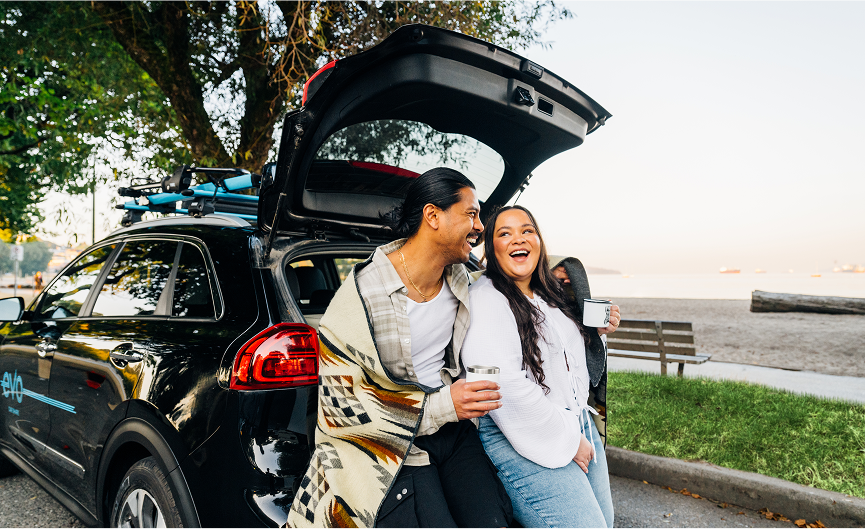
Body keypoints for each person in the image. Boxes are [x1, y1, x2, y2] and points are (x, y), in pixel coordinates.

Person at [286, 168, 512, 529]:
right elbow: (343, 407)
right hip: (393, 445)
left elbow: (521, 292)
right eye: (471, 213)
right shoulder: (361, 297)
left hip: (453, 429)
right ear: (433, 216)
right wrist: (444, 404)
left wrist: (579, 305)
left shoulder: (460, 279)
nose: (480, 226)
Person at [461, 205, 621, 529]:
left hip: (576, 421)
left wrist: (596, 332)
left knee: (606, 522)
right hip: (520, 430)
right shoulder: (485, 298)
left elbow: (565, 358)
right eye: (504, 233)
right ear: (492, 247)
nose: (518, 238)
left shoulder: (549, 294)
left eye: (527, 230)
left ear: (539, 241)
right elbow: (503, 385)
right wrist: (569, 439)